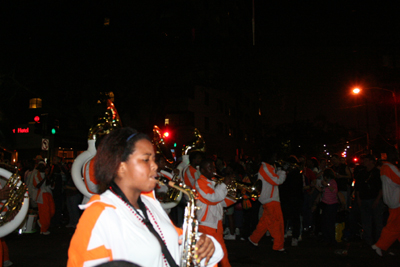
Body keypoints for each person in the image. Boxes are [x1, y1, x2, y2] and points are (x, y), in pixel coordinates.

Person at [67, 127, 222, 267]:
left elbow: (177, 242)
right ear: (121, 166)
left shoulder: (150, 203)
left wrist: (207, 245)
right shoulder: (100, 214)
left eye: (154, 159)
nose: (154, 166)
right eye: (146, 159)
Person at [195, 158, 235, 267]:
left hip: (216, 223)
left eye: (213, 167)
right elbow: (212, 199)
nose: (213, 170)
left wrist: (237, 196)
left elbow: (221, 202)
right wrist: (224, 185)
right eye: (210, 168)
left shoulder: (212, 182)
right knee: (211, 255)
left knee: (221, 253)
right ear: (202, 170)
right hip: (207, 224)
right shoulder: (200, 182)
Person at [248, 151, 287, 253]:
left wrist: (279, 171)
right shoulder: (265, 168)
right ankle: (278, 247)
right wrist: (282, 171)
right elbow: (277, 181)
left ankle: (253, 239)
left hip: (270, 199)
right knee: (278, 223)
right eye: (274, 156)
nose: (275, 158)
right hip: (271, 199)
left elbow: (275, 180)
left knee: (265, 223)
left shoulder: (268, 167)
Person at [372, 150, 400, 256]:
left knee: (395, 225)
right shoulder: (390, 168)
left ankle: (381, 245)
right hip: (397, 201)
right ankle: (380, 245)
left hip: (392, 201)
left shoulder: (384, 169)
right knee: (394, 226)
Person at [354, 154, 383, 246]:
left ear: (371, 161)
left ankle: (379, 240)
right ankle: (368, 240)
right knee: (366, 221)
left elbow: (381, 188)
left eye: (366, 160)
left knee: (377, 221)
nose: (364, 162)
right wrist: (358, 198)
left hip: (374, 199)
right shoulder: (362, 173)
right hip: (364, 199)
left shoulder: (377, 173)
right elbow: (357, 187)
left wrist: (377, 200)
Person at [312, 168, 338, 246]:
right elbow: (321, 190)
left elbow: (334, 190)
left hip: (331, 205)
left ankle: (331, 239)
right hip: (325, 204)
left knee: (330, 223)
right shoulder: (327, 183)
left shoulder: (332, 182)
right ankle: (326, 238)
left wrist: (327, 184)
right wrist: (315, 186)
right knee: (324, 222)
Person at [33, 160, 55, 235]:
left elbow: (50, 185)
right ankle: (43, 229)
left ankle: (40, 222)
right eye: (41, 166)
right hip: (41, 195)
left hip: (49, 194)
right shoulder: (36, 175)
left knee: (52, 211)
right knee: (45, 213)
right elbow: (37, 185)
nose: (43, 167)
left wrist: (50, 179)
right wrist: (45, 178)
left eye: (43, 166)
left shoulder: (47, 174)